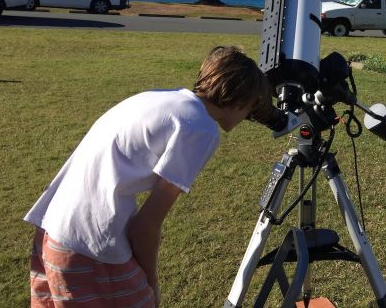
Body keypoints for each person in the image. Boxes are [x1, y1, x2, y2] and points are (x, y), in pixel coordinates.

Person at [24, 46, 275, 307]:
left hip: (51, 231)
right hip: (90, 246)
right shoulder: (200, 128)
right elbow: (145, 226)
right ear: (239, 101)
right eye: (251, 109)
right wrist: (151, 283)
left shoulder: (162, 100)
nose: (249, 117)